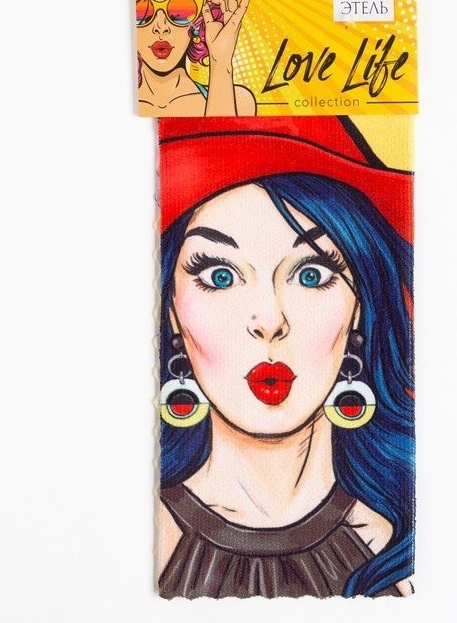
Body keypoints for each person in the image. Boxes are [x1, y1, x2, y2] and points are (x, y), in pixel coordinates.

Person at [156, 116, 415, 598]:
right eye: (219, 276)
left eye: (311, 274)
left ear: (360, 309)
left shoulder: (399, 554)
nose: (269, 320)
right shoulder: (145, 539)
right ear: (171, 312)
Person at [134, 0, 256, 116]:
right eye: (142, 9)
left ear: (201, 16)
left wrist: (220, 63)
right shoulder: (117, 105)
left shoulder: (240, 102)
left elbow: (221, 134)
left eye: (180, 9)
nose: (161, 27)